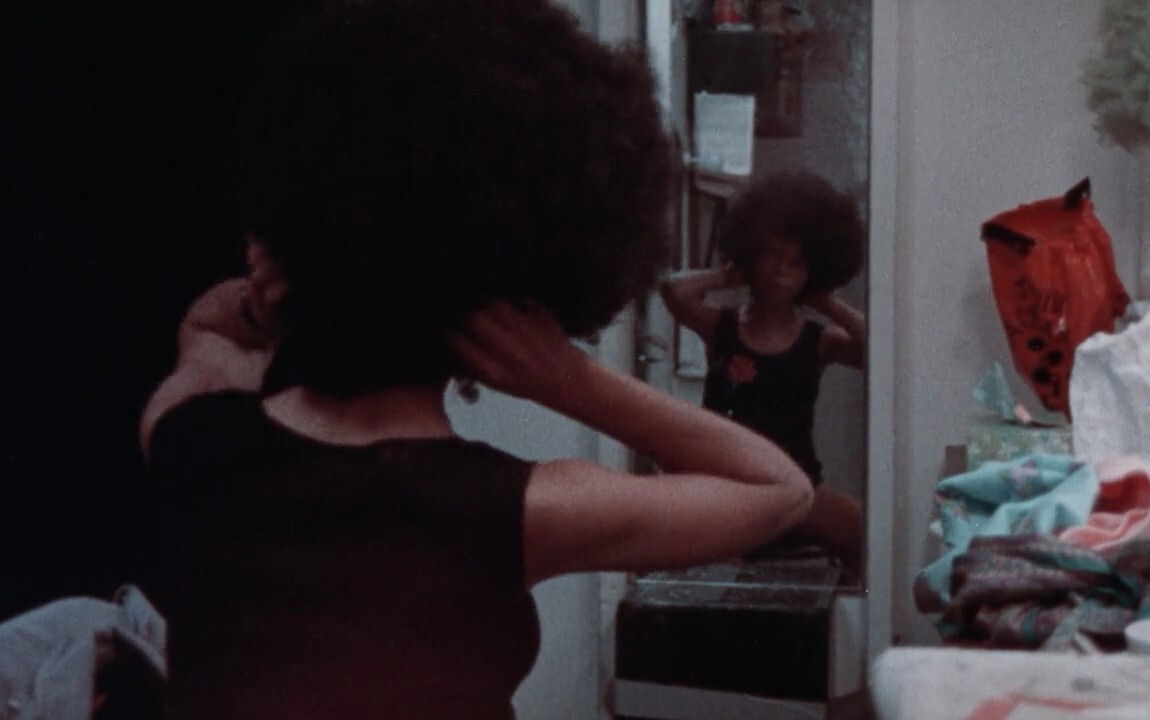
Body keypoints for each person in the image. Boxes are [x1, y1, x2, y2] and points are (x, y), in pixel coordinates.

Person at [138, 2, 813, 718]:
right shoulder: (514, 512)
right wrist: (569, 380)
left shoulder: (195, 440)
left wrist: (285, 289)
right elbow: (780, 490)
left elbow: (207, 324)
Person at [660, 172, 866, 573]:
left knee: (861, 530)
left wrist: (825, 301)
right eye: (771, 255)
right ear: (752, 253)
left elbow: (875, 350)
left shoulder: (820, 341)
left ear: (813, 271)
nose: (780, 270)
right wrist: (729, 275)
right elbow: (673, 290)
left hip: (798, 483)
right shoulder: (720, 327)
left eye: (796, 263)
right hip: (725, 482)